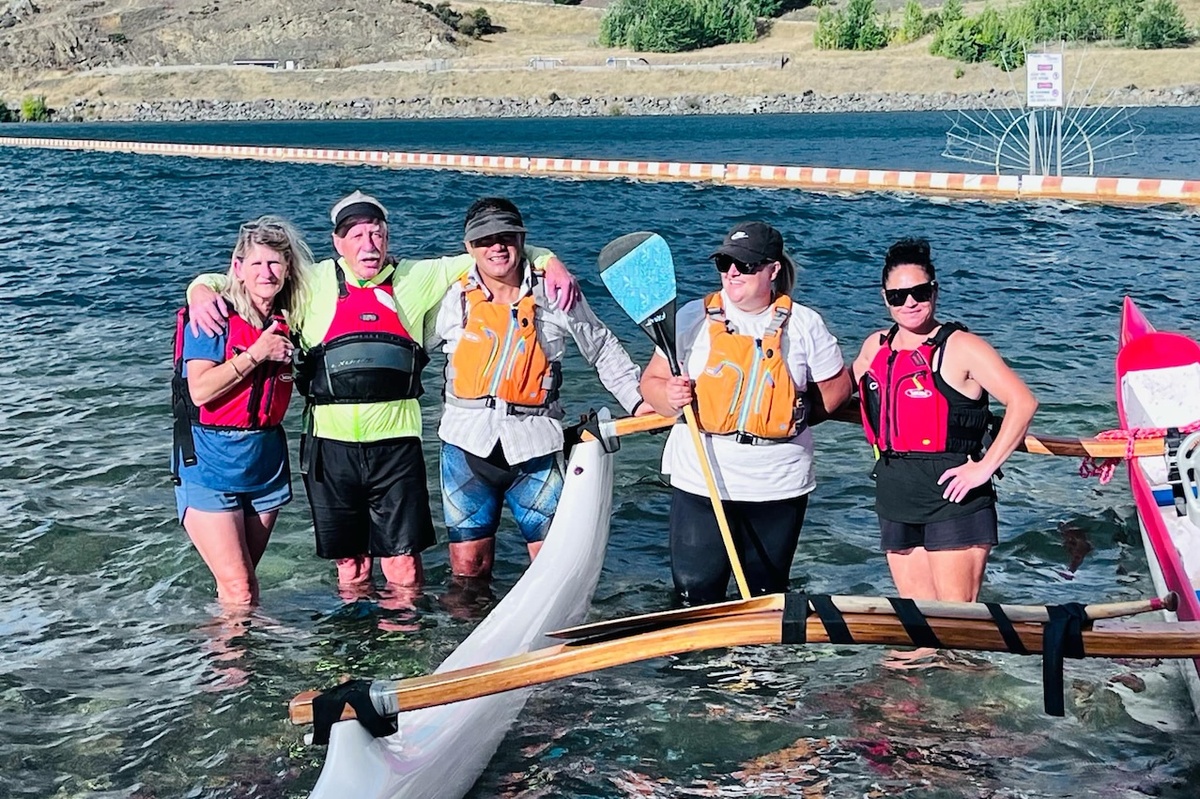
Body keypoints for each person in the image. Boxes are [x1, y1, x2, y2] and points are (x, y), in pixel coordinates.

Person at [186, 191, 579, 594]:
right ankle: (360, 650)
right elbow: (255, 281)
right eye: (355, 236)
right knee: (352, 569)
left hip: (395, 449)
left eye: (376, 234)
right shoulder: (313, 283)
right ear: (338, 243)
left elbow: (492, 250)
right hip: (330, 448)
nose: (368, 245)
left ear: (388, 237)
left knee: (405, 567)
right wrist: (200, 287)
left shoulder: (417, 277)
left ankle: (406, 646)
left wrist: (549, 261)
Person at [432, 197, 654, 579]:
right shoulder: (450, 298)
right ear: (469, 248)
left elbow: (600, 347)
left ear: (522, 240)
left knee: (550, 562)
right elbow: (407, 343)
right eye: (485, 239)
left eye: (507, 237)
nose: (497, 246)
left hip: (535, 448)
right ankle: (465, 631)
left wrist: (639, 401)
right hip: (465, 448)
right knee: (468, 567)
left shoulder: (557, 294)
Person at [639, 221, 852, 606]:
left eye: (746, 264)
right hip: (702, 480)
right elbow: (651, 382)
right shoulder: (690, 318)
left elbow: (835, 393)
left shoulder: (805, 325)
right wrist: (668, 397)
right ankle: (695, 665)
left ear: (772, 270)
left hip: (778, 484)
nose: (732, 272)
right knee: (694, 594)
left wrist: (787, 417)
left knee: (765, 597)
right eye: (724, 262)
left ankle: (758, 665)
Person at [851, 238, 1037, 646]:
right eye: (899, 295)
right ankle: (916, 708)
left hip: (954, 496)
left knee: (957, 629)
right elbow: (846, 391)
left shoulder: (963, 348)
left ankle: (971, 709)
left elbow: (1022, 402)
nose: (910, 303)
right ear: (885, 298)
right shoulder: (875, 346)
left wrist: (984, 468)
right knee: (916, 628)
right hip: (896, 493)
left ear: (934, 290)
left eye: (920, 292)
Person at [171, 215, 312, 606]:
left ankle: (234, 660)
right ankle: (233, 666)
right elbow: (200, 390)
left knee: (240, 585)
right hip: (209, 461)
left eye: (275, 263)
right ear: (237, 269)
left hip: (263, 465)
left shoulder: (288, 317)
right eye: (257, 264)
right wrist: (256, 354)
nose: (267, 272)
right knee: (241, 587)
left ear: (287, 269)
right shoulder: (211, 317)